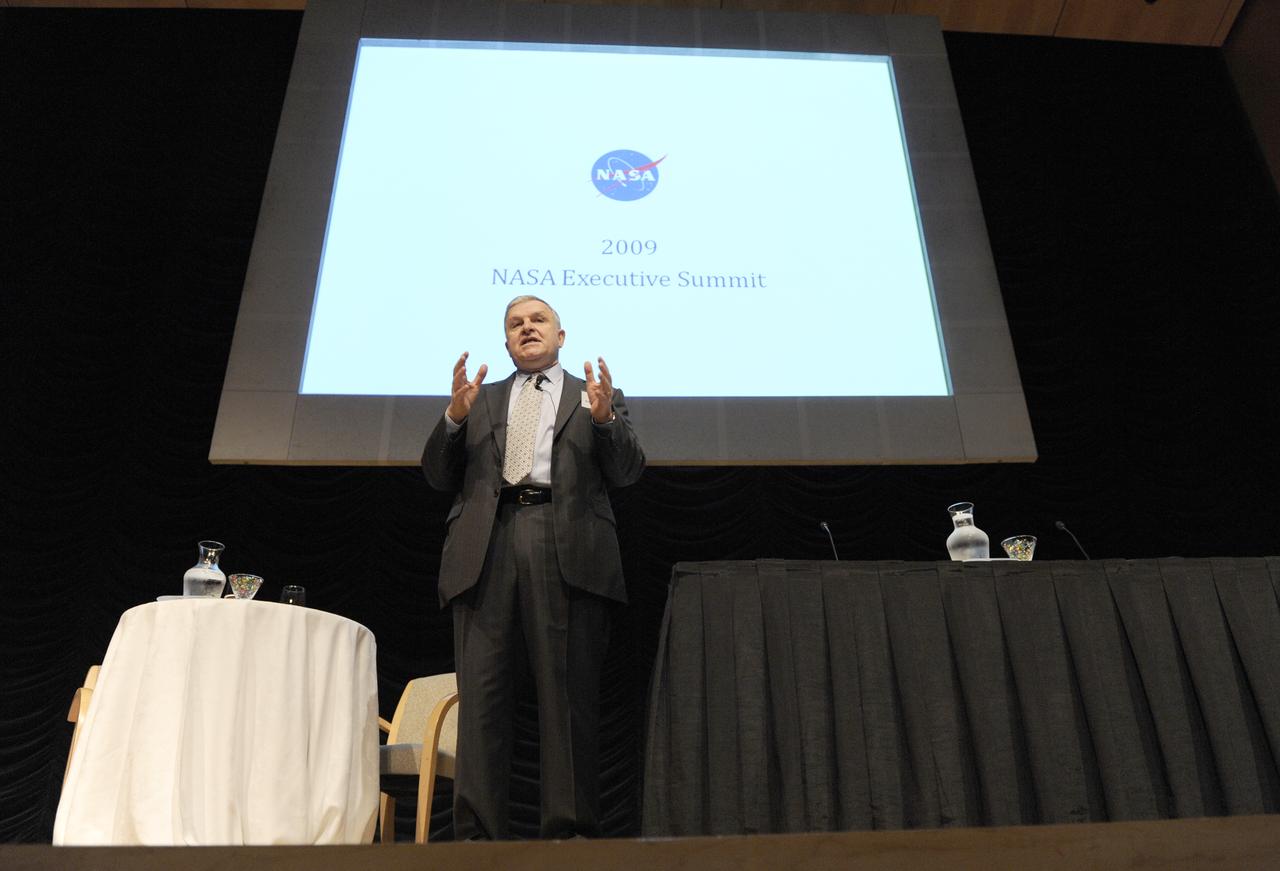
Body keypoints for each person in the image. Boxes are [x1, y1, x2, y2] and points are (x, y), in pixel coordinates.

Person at [421, 295, 645, 840]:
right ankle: (476, 841)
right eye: (516, 325)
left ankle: (567, 837)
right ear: (506, 344)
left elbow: (628, 471)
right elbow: (435, 474)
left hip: (565, 543)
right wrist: (453, 417)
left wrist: (604, 419)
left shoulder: (596, 395)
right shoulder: (477, 398)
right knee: (482, 703)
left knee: (566, 699)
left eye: (538, 320)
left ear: (561, 336)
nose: (527, 329)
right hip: (486, 546)